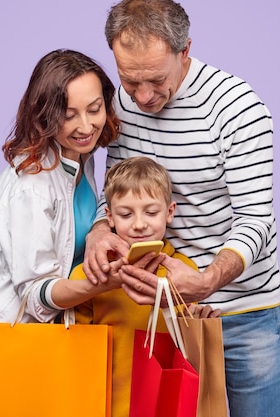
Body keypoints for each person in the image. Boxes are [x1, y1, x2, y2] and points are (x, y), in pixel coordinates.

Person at [82, 1, 280, 416]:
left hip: (243, 313)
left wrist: (209, 278)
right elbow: (116, 190)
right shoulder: (121, 104)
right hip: (158, 315)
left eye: (156, 80)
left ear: (185, 51)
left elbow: (255, 219)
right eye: (129, 79)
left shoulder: (236, 108)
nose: (142, 96)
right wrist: (100, 229)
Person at [0, 49, 123, 323]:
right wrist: (104, 284)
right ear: (45, 115)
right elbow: (35, 296)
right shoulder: (31, 185)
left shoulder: (81, 159)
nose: (86, 126)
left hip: (64, 334)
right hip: (18, 338)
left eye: (94, 109)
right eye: (69, 115)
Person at [70, 156, 217, 417]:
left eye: (151, 212)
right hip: (103, 405)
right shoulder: (89, 273)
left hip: (165, 404)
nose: (139, 224)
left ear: (169, 212)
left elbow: (187, 350)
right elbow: (75, 347)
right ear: (109, 216)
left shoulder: (184, 274)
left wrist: (198, 320)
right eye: (126, 214)